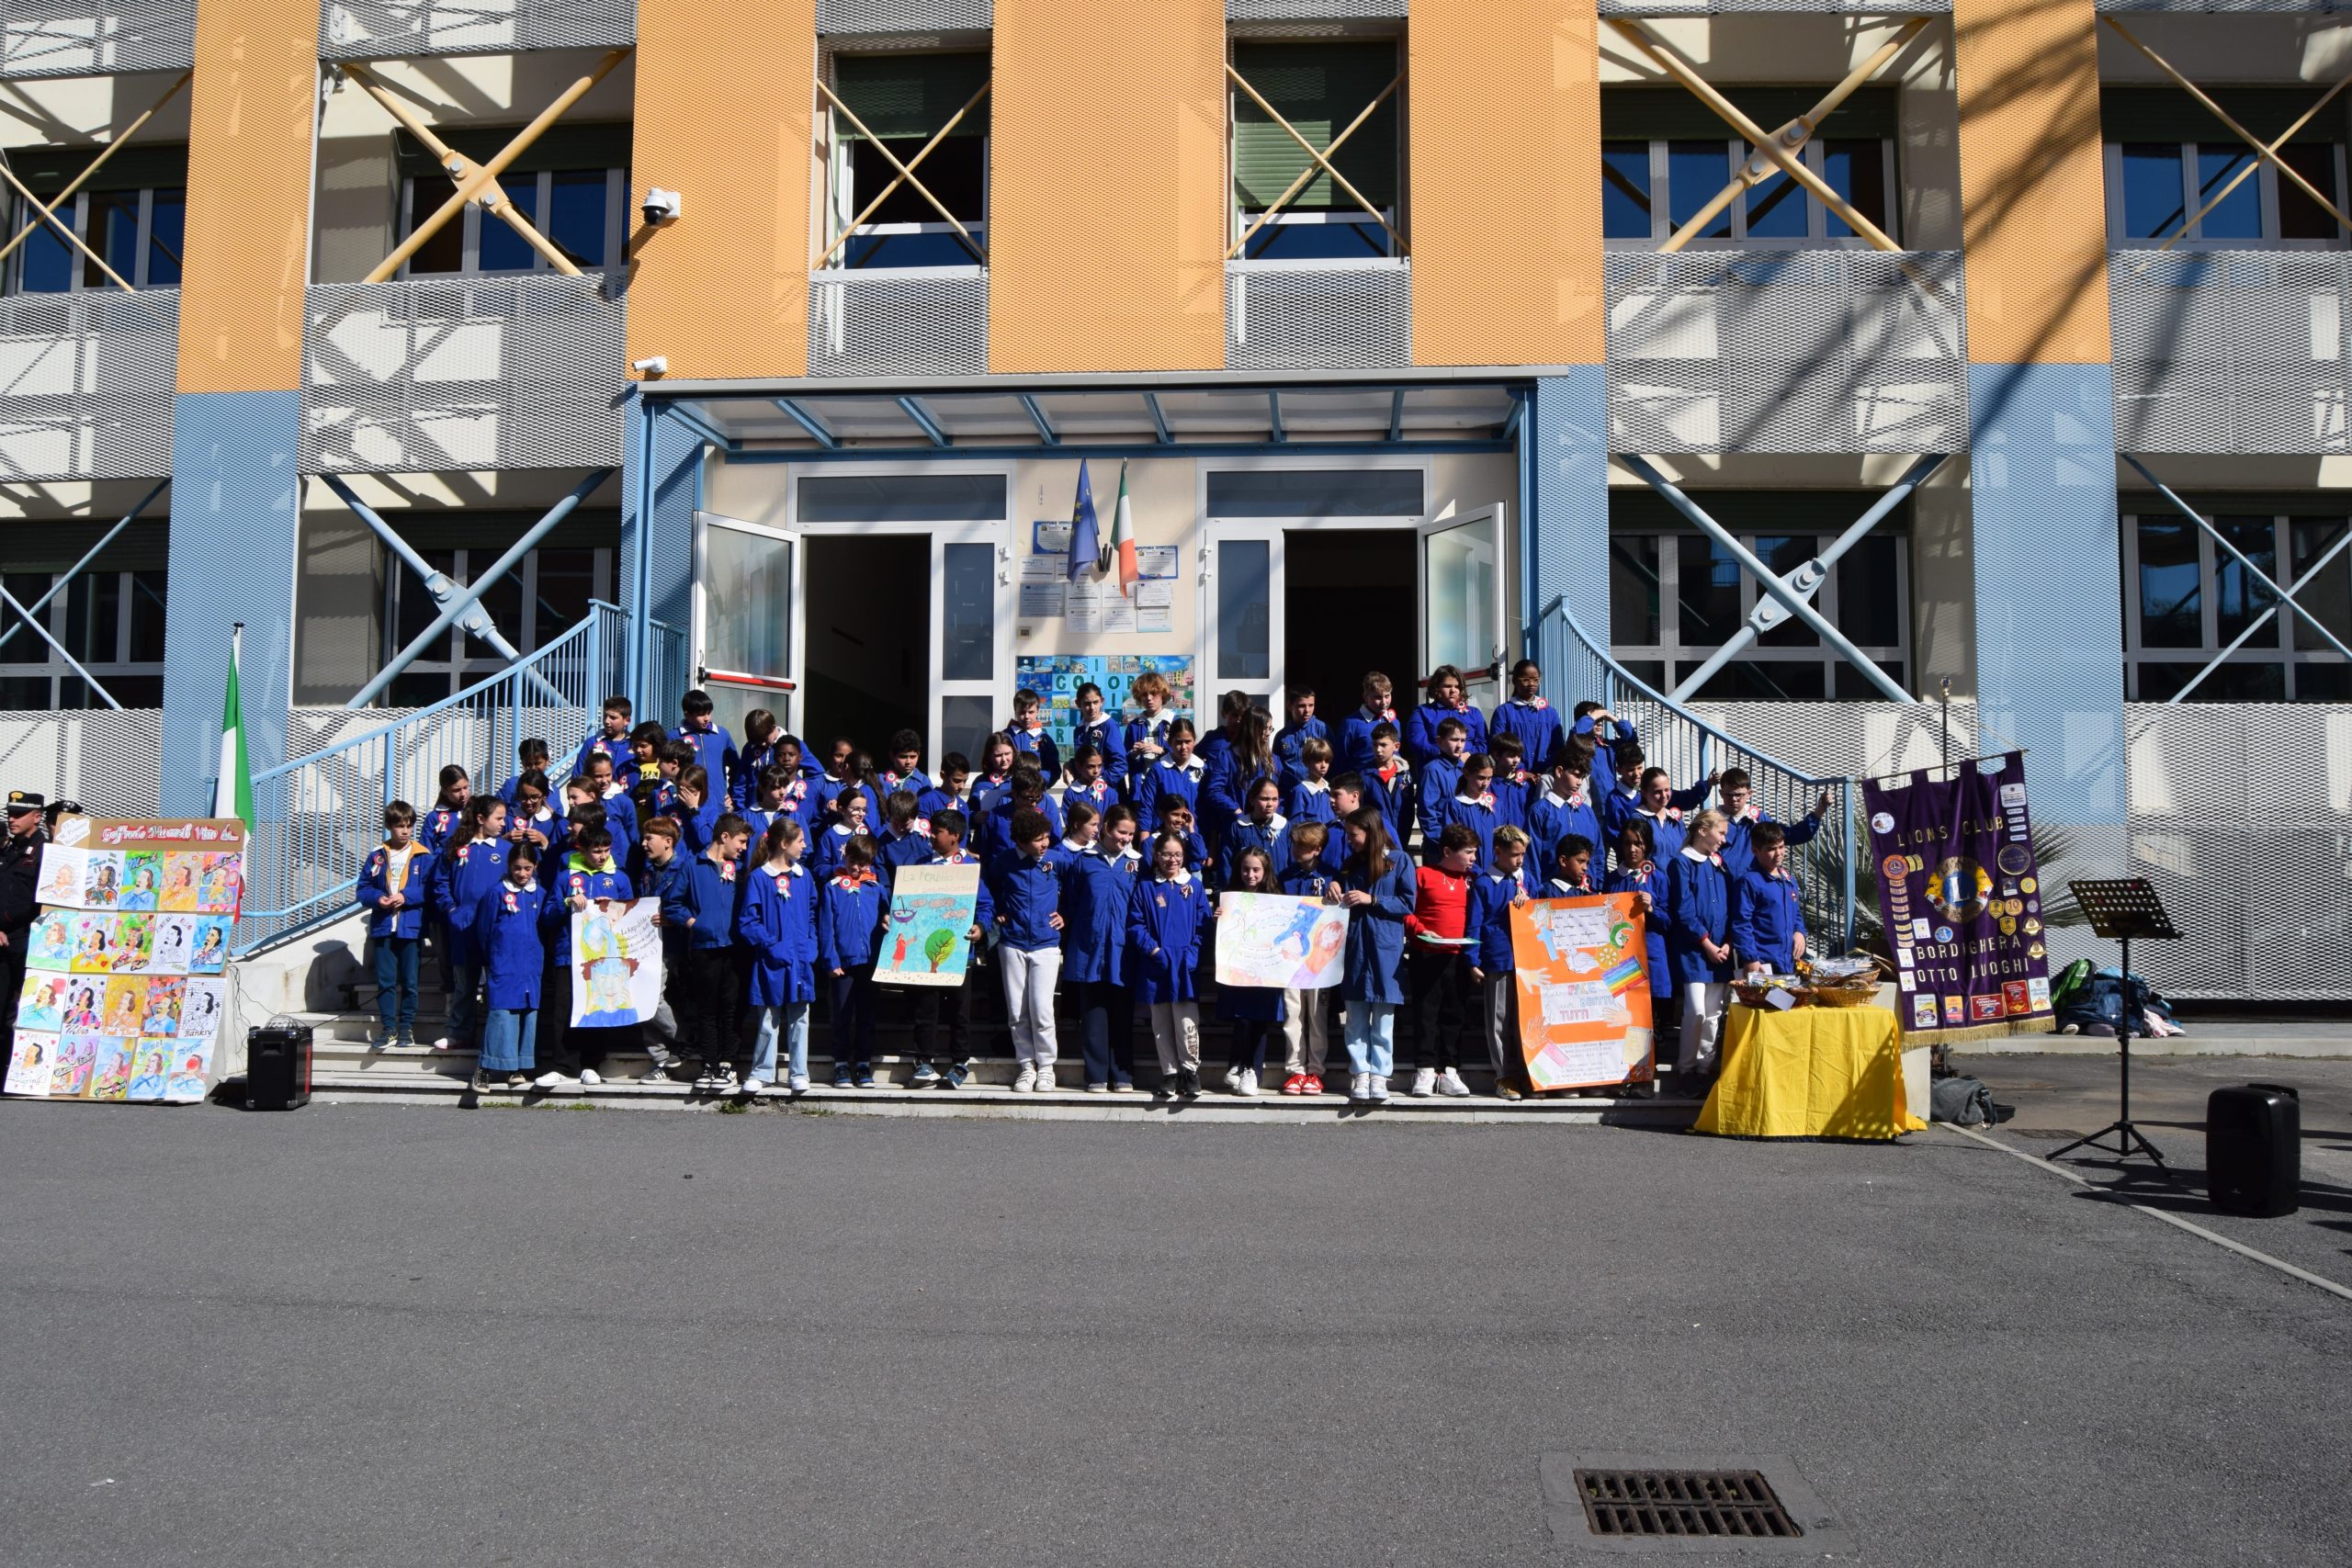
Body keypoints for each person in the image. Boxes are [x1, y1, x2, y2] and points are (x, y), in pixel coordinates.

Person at [537, 822, 633, 1089]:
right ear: (582, 849)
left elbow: (630, 915)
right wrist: (567, 903)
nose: (602, 856)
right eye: (596, 851)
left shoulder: (619, 878)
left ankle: (592, 1064)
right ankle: (562, 1066)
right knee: (564, 1011)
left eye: (606, 850)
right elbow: (547, 916)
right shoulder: (565, 876)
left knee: (597, 1010)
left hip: (604, 960)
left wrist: (611, 907)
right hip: (568, 955)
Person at [899, 808, 990, 1089]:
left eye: (937, 832)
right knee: (926, 1009)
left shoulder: (970, 869)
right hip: (924, 954)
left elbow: (986, 906)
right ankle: (923, 1062)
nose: (931, 836)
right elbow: (906, 901)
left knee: (959, 1012)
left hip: (960, 954)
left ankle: (959, 1063)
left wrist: (980, 927)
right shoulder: (921, 865)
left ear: (955, 836)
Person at [662, 812, 750, 1092]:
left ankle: (728, 1063)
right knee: (707, 1009)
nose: (744, 848)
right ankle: (709, 1064)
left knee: (731, 1008)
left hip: (733, 948)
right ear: (724, 837)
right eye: (741, 841)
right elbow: (672, 903)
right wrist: (694, 923)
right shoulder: (693, 865)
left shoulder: (739, 869)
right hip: (703, 948)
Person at [1057, 801, 1138, 1093]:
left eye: (1130, 834)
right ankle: (1096, 1075)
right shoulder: (1084, 861)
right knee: (1093, 1015)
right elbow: (1070, 903)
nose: (1125, 839)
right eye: (1121, 832)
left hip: (1123, 951)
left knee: (1122, 1015)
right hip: (1090, 949)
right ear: (1106, 828)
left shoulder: (1137, 864)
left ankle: (1123, 1074)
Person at [1336, 807, 1412, 1104]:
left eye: (1353, 834)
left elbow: (1407, 903)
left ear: (1369, 832)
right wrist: (1333, 887)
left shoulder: (1399, 861)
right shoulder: (1349, 865)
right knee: (1355, 1017)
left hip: (1385, 949)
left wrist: (1374, 899)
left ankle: (1379, 1075)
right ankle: (1360, 1073)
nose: (1349, 840)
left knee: (1383, 1017)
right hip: (1356, 948)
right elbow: (1339, 899)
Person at [739, 818, 818, 1096]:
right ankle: (762, 1072)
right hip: (771, 960)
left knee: (800, 1017)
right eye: (800, 841)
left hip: (801, 959)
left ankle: (799, 1072)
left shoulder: (804, 876)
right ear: (784, 843)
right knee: (768, 1018)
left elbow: (811, 913)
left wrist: (811, 945)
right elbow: (748, 921)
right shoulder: (759, 878)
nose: (805, 845)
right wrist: (771, 945)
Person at [990, 806, 1066, 1092]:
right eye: (1038, 839)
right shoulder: (1004, 861)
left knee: (1042, 1009)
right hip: (1013, 943)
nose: (1045, 843)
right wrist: (998, 912)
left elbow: (1077, 888)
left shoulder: (1057, 859)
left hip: (1046, 944)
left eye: (1046, 836)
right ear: (1021, 842)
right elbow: (990, 889)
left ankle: (1046, 1066)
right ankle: (1026, 1065)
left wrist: (1066, 914)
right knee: (1017, 1011)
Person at [1128, 829, 1207, 1098]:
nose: (1172, 860)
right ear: (1156, 855)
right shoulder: (1146, 886)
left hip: (1185, 964)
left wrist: (1194, 952)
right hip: (1157, 963)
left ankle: (1190, 1071)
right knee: (1161, 1022)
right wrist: (1153, 950)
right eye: (1166, 854)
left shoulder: (1194, 886)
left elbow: (1203, 925)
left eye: (1177, 854)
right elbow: (1135, 924)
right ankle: (1170, 1073)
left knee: (1187, 1022)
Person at [428, 797, 511, 1052]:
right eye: (498, 818)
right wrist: (452, 910)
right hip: (463, 927)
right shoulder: (456, 846)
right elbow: (440, 882)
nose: (504, 823)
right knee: (464, 984)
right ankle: (459, 1033)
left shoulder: (506, 850)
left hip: (496, 929)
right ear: (480, 819)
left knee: (496, 984)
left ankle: (494, 1038)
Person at [1404, 823, 1478, 1098]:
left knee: (1454, 1015)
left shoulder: (1473, 880)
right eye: (1468, 852)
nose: (1473, 858)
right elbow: (1405, 910)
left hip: (1458, 955)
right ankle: (1424, 1069)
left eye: (1474, 852)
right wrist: (1421, 930)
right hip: (1426, 953)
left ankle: (1449, 1070)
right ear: (1447, 851)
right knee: (1426, 1013)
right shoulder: (1423, 874)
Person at [1468, 825, 1539, 1100]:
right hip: (1498, 959)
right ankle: (1504, 1076)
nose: (1520, 860)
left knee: (1526, 1021)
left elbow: (1542, 913)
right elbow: (1474, 925)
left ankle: (1529, 1073)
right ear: (1498, 852)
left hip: (1528, 959)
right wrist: (1472, 960)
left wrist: (1530, 903)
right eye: (1514, 855)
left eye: (1523, 855)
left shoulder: (1528, 879)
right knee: (1499, 1020)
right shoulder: (1485, 883)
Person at [1666, 808, 1734, 1095]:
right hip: (1694, 952)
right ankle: (1685, 1069)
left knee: (1714, 1014)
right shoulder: (1681, 863)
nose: (1724, 840)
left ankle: (1704, 1069)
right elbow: (1684, 910)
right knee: (1695, 1011)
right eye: (1721, 833)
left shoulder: (1719, 865)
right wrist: (1706, 943)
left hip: (1719, 952)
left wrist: (1727, 941)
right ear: (1703, 830)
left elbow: (1729, 908)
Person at [1273, 820, 1343, 1096]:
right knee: (1292, 1013)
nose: (1294, 850)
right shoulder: (1285, 877)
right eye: (1294, 844)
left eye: (1301, 846)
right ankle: (1295, 1070)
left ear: (1317, 849)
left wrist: (1336, 891)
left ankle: (1315, 1070)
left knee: (1316, 1014)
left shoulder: (1332, 876)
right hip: (1290, 959)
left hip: (1319, 961)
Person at [471, 843, 548, 1093]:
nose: (522, 873)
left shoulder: (540, 893)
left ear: (535, 867)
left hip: (531, 966)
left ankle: (516, 1066)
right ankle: (484, 1068)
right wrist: (493, 957)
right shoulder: (496, 893)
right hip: (504, 962)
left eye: (527, 868)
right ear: (508, 866)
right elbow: (484, 930)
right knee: (501, 1015)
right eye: (517, 868)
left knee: (527, 1014)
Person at [356, 801, 429, 1047]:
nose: (405, 831)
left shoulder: (423, 855)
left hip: (410, 928)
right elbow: (363, 888)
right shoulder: (377, 855)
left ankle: (406, 1028)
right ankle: (388, 1028)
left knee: (410, 981)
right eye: (399, 826)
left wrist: (406, 897)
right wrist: (378, 899)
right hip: (384, 927)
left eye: (409, 826)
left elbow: (430, 888)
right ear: (389, 826)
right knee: (386, 981)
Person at [1215, 846, 1286, 1096]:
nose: (1251, 874)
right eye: (1246, 869)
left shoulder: (1276, 897)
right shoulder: (1229, 896)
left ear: (1266, 871)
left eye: (1256, 869)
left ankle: (1252, 1071)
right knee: (1242, 1019)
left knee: (1260, 1021)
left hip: (1265, 970)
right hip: (1239, 968)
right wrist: (1218, 918)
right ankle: (1237, 1064)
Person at [817, 835, 888, 1089]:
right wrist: (830, 960)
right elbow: (826, 928)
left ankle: (863, 1064)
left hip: (870, 962)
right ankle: (841, 1065)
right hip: (842, 964)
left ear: (870, 862)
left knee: (867, 1015)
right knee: (842, 1015)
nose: (855, 868)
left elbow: (888, 917)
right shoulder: (832, 887)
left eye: (861, 863)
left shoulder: (876, 888)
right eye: (851, 861)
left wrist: (888, 918)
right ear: (844, 857)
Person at [1601, 819, 1672, 1056]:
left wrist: (1651, 909)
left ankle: (1646, 1069)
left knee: (1649, 1017)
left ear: (1647, 845)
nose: (1632, 849)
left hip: (1651, 953)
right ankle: (1627, 1068)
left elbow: (1668, 922)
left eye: (1638, 843)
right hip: (1622, 958)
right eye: (1627, 843)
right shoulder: (1612, 879)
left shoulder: (1658, 878)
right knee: (1625, 1015)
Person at [632, 817, 694, 1084]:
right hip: (647, 944)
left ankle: (685, 1038)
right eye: (643, 838)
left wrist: (674, 918)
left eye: (649, 839)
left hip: (675, 944)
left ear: (668, 842)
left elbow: (694, 905)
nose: (643, 844)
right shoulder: (647, 870)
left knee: (654, 998)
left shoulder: (685, 867)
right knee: (643, 998)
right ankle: (661, 1058)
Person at [1714, 769, 1833, 881]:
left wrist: (1819, 811)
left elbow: (1792, 835)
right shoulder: (1711, 821)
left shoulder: (1758, 819)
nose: (1734, 799)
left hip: (1753, 886)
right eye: (1729, 794)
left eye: (1739, 795)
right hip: (1720, 885)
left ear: (1749, 793)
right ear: (1721, 793)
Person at [0, 790, 46, 1058]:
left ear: (37, 817)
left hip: (29, 939)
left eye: (19, 814)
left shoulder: (44, 851)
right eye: (10, 814)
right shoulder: (9, 849)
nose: (12, 819)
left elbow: (33, 902)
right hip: (4, 938)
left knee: (28, 1008)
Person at [1729, 821, 1808, 976]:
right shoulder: (1750, 881)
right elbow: (1741, 923)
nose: (1778, 853)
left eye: (1781, 847)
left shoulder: (1788, 879)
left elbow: (1796, 912)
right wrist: (1750, 958)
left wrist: (1799, 932)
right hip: (1762, 963)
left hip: (1788, 962)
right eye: (1771, 849)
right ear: (1755, 851)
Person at [1530, 743, 1603, 872]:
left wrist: (1597, 881)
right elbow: (1532, 857)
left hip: (1586, 884)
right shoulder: (1539, 811)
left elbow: (1598, 853)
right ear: (1559, 771)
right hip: (1551, 883)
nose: (1579, 782)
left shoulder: (1587, 812)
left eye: (1582, 777)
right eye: (1576, 775)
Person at [1405, 665, 1488, 771]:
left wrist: (1468, 755)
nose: (1453, 690)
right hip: (1435, 771)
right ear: (1437, 688)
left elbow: (1483, 744)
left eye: (1457, 687)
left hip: (1469, 771)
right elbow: (1417, 743)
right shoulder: (1422, 712)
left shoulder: (1474, 713)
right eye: (1448, 686)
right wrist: (1446, 756)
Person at [670, 688, 741, 808]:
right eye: (701, 714)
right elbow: (665, 771)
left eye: (709, 713)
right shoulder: (674, 736)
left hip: (719, 804)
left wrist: (732, 794)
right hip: (686, 804)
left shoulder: (722, 735)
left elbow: (737, 768)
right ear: (687, 714)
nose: (707, 718)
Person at [1487, 660, 1561, 773]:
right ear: (1514, 681)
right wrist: (1521, 772)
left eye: (1536, 680)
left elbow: (1558, 747)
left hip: (1545, 774)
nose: (1531, 684)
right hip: (1512, 775)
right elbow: (1497, 746)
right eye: (1526, 680)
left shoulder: (1550, 713)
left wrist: (1546, 769)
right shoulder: (1503, 711)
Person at [1132, 717, 1203, 834]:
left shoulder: (1202, 769)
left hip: (1193, 836)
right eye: (1178, 742)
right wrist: (1145, 839)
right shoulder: (1158, 769)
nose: (1183, 747)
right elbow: (1146, 807)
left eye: (1188, 742)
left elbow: (1209, 810)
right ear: (1170, 742)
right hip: (1162, 836)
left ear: (1194, 741)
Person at [1218, 776, 1291, 886]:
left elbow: (1293, 863)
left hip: (1278, 891)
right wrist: (1230, 890)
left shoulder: (1285, 827)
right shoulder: (1238, 827)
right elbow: (1226, 864)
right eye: (1264, 799)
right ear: (1252, 800)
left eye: (1274, 799)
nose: (1270, 804)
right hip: (1246, 891)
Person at [1438, 752, 1501, 871]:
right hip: (1466, 871)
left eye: (1489, 778)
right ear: (1467, 774)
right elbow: (1454, 842)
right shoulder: (1455, 805)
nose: (1485, 783)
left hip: (1493, 871)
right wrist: (1474, 871)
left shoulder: (1495, 804)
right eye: (1481, 778)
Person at [1122, 670, 1174, 796]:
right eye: (1144, 694)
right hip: (1140, 788)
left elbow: (1183, 755)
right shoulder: (1134, 725)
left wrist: (1160, 750)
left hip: (1167, 787)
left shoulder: (1174, 722)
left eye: (1154, 693)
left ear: (1163, 694)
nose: (1149, 698)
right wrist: (1134, 754)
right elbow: (1124, 759)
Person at [1363, 724, 1414, 852]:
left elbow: (1408, 812)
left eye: (1383, 745)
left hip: (1400, 838)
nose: (1378, 750)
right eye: (1375, 745)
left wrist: (1403, 838)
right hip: (1374, 840)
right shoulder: (1365, 775)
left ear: (1396, 746)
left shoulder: (1405, 776)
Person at [1337, 671, 1396, 776]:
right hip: (1360, 782)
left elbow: (1396, 754)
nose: (1384, 702)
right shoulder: (1351, 723)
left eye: (1387, 696)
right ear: (1365, 697)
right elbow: (1341, 760)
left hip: (1391, 781)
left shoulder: (1394, 721)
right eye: (1378, 697)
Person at [570, 695, 635, 784]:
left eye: (613, 717)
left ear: (627, 720)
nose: (607, 721)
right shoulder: (591, 743)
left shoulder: (635, 745)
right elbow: (578, 777)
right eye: (605, 716)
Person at [1069, 683, 1126, 784]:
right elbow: (1083, 760)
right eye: (1087, 703)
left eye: (1095, 702)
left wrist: (1101, 783)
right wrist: (1069, 766)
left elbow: (1121, 764)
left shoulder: (1109, 725)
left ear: (1101, 701)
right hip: (1085, 787)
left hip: (1107, 788)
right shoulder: (1079, 729)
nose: (1092, 707)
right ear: (1078, 703)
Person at [1272, 686, 1326, 791]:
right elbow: (1276, 769)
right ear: (1289, 706)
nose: (1307, 711)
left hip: (1314, 791)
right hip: (1288, 792)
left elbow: (1333, 762)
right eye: (1301, 706)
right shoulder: (1282, 736)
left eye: (1311, 705)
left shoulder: (1322, 730)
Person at [1005, 688, 1062, 779]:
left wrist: (1037, 781)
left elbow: (1054, 770)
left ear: (1037, 711)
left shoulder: (1044, 739)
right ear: (1015, 711)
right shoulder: (1005, 736)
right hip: (1010, 786)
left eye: (1031, 712)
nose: (1026, 716)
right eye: (1022, 712)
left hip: (1035, 787)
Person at [419, 765, 471, 852]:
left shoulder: (478, 810)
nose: (463, 794)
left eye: (465, 787)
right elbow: (426, 851)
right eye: (456, 790)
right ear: (444, 791)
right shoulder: (434, 817)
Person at [1286, 736, 1336, 826]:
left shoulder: (1330, 789)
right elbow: (1297, 824)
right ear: (1307, 762)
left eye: (1327, 761)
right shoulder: (1300, 791)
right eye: (1318, 761)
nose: (1323, 765)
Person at [876, 728, 933, 804]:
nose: (908, 762)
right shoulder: (879, 780)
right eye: (903, 757)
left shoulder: (924, 782)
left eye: (913, 757)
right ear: (892, 756)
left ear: (918, 755)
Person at [1064, 743, 1121, 818]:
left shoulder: (1110, 793)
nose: (1096, 771)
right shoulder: (1070, 794)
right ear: (1078, 766)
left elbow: (1114, 820)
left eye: (1099, 766)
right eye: (1091, 766)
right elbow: (1069, 820)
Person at [496, 739, 551, 806]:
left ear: (547, 761)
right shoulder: (513, 785)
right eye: (528, 764)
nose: (533, 768)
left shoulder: (554, 791)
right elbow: (495, 809)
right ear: (522, 762)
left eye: (537, 763)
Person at [917, 754, 970, 822]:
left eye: (965, 781)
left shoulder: (963, 806)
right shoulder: (926, 801)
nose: (962, 786)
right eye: (957, 781)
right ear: (943, 775)